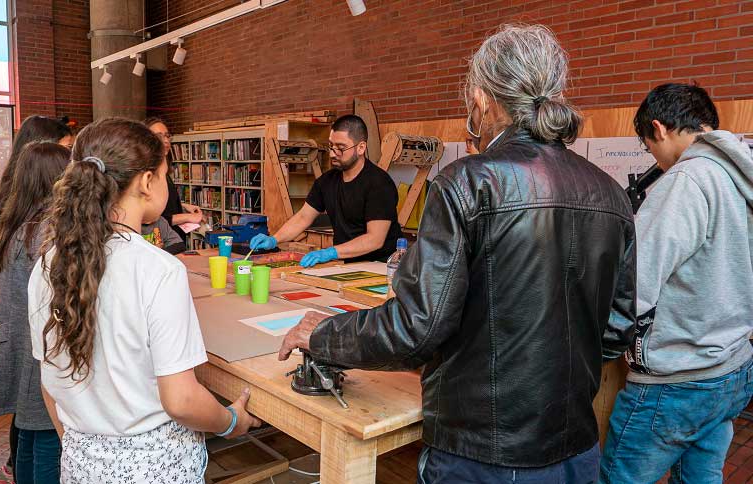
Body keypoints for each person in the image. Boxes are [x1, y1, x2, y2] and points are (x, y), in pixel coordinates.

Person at [278, 24, 636, 483]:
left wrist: (324, 335)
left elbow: (418, 328)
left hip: (482, 452)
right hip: (574, 447)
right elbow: (616, 329)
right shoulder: (610, 193)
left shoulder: (467, 183)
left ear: (483, 98)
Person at [27, 118, 259, 483]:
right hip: (157, 466)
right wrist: (231, 422)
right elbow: (181, 401)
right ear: (147, 182)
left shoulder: (48, 262)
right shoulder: (159, 269)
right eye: (165, 174)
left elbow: (50, 382)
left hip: (80, 461)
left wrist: (83, 447)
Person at [600, 84, 753, 484]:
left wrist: (597, 346)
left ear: (659, 129)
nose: (657, 161)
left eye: (650, 148)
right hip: (731, 368)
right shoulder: (740, 177)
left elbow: (634, 286)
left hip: (675, 383)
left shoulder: (687, 180)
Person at [0, 114, 72, 484]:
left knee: (31, 434)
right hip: (39, 349)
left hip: (19, 342)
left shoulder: (18, 222)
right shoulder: (46, 233)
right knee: (47, 435)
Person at [249, 114, 401, 267]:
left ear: (361, 147)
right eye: (331, 146)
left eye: (341, 148)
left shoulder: (379, 184)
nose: (333, 153)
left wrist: (330, 252)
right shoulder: (326, 181)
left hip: (381, 266)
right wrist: (274, 239)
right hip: (346, 263)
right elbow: (303, 217)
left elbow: (374, 239)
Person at [144, 117, 204, 241]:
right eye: (159, 136)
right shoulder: (147, 175)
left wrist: (182, 206)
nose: (166, 141)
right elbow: (152, 217)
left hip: (173, 238)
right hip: (161, 243)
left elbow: (159, 203)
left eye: (167, 136)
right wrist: (187, 217)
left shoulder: (163, 171)